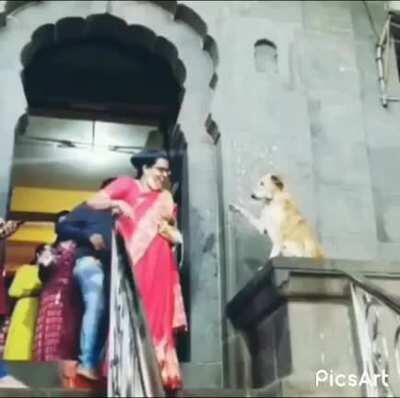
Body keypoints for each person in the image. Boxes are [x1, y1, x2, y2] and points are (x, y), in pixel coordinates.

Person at [86, 149, 187, 391]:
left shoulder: (165, 197)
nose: (164, 175)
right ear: (145, 167)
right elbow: (92, 201)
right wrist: (117, 202)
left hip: (162, 262)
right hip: (134, 261)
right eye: (160, 169)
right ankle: (128, 366)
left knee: (159, 314)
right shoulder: (127, 185)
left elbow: (169, 228)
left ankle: (158, 369)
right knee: (133, 309)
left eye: (167, 171)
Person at [56, 179, 115, 381]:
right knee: (96, 303)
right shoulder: (89, 207)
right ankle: (87, 361)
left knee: (109, 312)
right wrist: (88, 235)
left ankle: (98, 364)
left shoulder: (122, 214)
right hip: (90, 262)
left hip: (114, 271)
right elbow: (62, 228)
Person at [34, 211, 82, 363]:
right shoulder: (50, 249)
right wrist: (44, 262)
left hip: (69, 295)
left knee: (64, 335)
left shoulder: (79, 244)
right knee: (46, 335)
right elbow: (42, 276)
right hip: (49, 295)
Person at [3, 244, 43, 361]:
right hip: (24, 308)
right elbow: (13, 291)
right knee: (20, 342)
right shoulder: (25, 269)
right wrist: (35, 288)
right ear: (38, 255)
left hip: (41, 309)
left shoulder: (53, 273)